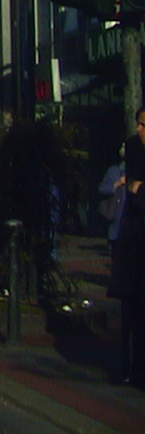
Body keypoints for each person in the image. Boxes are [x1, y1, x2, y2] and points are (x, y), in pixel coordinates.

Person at [111, 108, 145, 386]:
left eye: (144, 125)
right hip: (133, 245)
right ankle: (129, 367)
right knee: (131, 311)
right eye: (139, 124)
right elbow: (134, 197)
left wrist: (138, 187)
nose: (140, 130)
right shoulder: (134, 147)